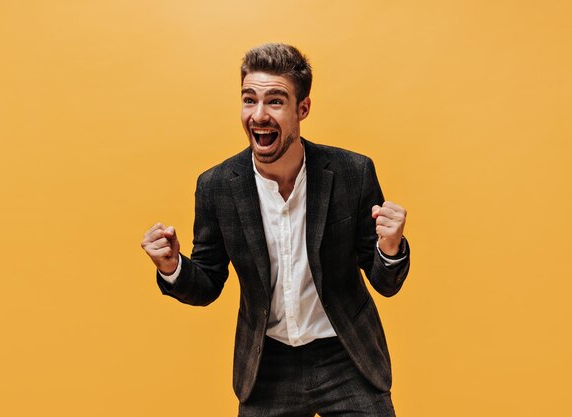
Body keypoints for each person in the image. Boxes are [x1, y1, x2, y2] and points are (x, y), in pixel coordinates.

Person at [141, 43, 411, 417]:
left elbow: (386, 282)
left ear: (303, 109)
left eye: (275, 101)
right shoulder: (216, 186)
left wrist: (391, 246)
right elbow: (207, 283)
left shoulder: (353, 172)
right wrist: (172, 266)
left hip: (346, 355)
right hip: (268, 364)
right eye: (249, 100)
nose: (259, 114)